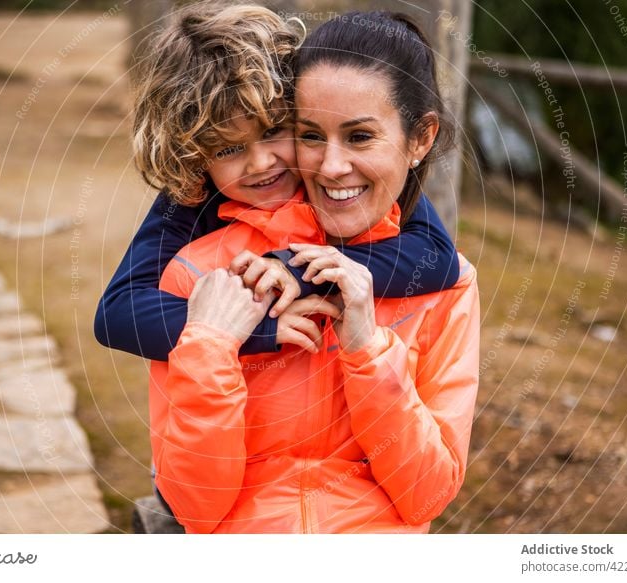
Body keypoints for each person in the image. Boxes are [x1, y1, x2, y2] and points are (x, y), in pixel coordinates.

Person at [149, 10, 480, 533]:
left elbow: (427, 497)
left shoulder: (447, 286)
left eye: (361, 136)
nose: (330, 166)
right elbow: (194, 507)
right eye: (310, 134)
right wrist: (210, 346)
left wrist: (368, 350)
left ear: (420, 140)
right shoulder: (200, 273)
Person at [94, 1, 459, 364]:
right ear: (195, 157)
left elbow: (437, 258)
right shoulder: (193, 192)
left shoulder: (336, 173)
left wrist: (298, 271)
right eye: (228, 149)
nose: (261, 163)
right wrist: (250, 328)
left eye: (274, 130)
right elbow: (118, 314)